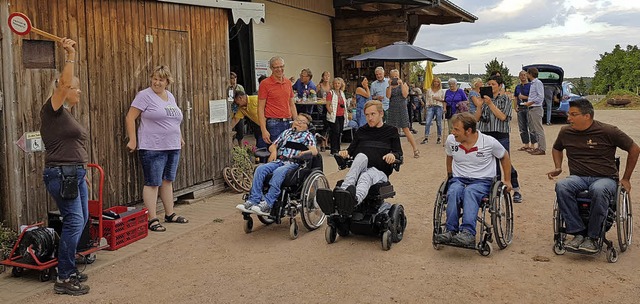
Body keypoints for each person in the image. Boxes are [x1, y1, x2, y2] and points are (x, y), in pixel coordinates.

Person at [547, 98, 639, 253]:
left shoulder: (608, 131)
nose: (568, 118)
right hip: (578, 177)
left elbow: (634, 149)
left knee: (599, 189)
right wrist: (558, 167)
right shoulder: (566, 132)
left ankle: (593, 237)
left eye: (573, 114)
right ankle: (577, 232)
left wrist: (626, 178)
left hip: (605, 178)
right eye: (569, 114)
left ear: (587, 116)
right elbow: (557, 148)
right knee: (562, 185)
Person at [40, 38, 90, 296]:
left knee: (80, 222)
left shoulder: (67, 115)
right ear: (64, 90)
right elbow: (64, 82)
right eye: (76, 88)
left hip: (75, 173)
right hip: (61, 173)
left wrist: (84, 172)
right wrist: (70, 54)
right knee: (73, 221)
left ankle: (67, 267)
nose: (78, 91)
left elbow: (75, 146)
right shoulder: (53, 110)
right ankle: (64, 276)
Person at [125, 65, 189, 233]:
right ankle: (152, 219)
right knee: (153, 182)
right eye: (155, 78)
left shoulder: (170, 96)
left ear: (167, 82)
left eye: (161, 80)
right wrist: (133, 139)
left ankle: (170, 214)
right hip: (153, 146)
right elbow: (130, 117)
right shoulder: (144, 96)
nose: (157, 82)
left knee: (167, 180)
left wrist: (179, 136)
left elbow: (174, 120)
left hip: (172, 145)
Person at [435, 112, 512, 247]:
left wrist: (507, 180)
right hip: (459, 178)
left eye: (456, 129)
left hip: (482, 180)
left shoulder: (489, 142)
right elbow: (449, 156)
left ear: (468, 131)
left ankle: (468, 232)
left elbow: (504, 157)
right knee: (453, 191)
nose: (453, 132)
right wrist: (449, 175)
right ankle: (450, 230)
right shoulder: (451, 140)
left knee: (470, 192)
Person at [236, 113, 318, 215]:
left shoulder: (308, 136)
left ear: (307, 126)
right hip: (279, 160)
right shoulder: (286, 132)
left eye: (302, 122)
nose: (299, 123)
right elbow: (273, 145)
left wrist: (304, 153)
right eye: (297, 120)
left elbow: (314, 151)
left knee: (279, 172)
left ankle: (268, 203)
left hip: (293, 163)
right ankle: (253, 199)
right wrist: (274, 151)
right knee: (260, 169)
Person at [334, 100, 403, 206]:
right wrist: (344, 152)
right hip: (360, 170)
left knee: (366, 176)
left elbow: (399, 153)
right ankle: (343, 194)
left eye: (373, 114)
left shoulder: (391, 131)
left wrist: (393, 155)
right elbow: (349, 150)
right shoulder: (361, 131)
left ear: (381, 114)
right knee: (361, 156)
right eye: (367, 115)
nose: (370, 118)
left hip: (380, 172)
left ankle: (354, 200)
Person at [474, 75, 523, 203]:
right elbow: (476, 119)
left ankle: (516, 189)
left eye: (493, 84)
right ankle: (494, 191)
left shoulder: (505, 99)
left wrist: (490, 104)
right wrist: (479, 106)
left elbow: (502, 117)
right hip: (485, 134)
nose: (490, 86)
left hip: (500, 134)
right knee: (489, 164)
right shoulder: (483, 100)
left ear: (500, 86)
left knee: (506, 162)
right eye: (488, 84)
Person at [258, 56, 298, 145]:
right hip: (273, 124)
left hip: (288, 122)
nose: (279, 69)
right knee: (275, 152)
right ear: (271, 68)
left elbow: (292, 104)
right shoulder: (265, 84)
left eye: (281, 66)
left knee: (288, 152)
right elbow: (260, 108)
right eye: (276, 67)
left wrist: (296, 122)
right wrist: (263, 130)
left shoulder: (288, 83)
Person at [386, 69, 420, 158]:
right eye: (393, 77)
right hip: (392, 109)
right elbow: (388, 96)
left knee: (406, 129)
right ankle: (394, 150)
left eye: (396, 76)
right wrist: (390, 85)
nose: (394, 78)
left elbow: (405, 95)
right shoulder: (389, 86)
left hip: (402, 109)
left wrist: (400, 84)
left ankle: (415, 149)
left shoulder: (404, 84)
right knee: (393, 131)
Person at [521, 67, 546, 155]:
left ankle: (542, 148)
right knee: (534, 129)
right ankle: (538, 147)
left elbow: (540, 97)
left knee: (539, 129)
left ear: (530, 74)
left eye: (527, 73)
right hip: (532, 108)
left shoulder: (538, 83)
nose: (526, 75)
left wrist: (530, 102)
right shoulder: (533, 83)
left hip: (536, 108)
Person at [514, 71, 536, 152]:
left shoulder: (531, 86)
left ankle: (533, 145)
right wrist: (515, 107)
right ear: (519, 77)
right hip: (520, 108)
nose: (523, 77)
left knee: (531, 127)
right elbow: (515, 97)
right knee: (522, 127)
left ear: (527, 76)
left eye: (524, 75)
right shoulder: (517, 87)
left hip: (529, 108)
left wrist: (524, 97)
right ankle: (526, 144)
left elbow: (533, 97)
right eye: (521, 75)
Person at [325, 77, 347, 155]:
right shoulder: (330, 93)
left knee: (339, 132)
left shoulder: (342, 93)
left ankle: (338, 149)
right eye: (335, 83)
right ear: (333, 84)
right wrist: (330, 112)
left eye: (338, 83)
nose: (337, 85)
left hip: (341, 115)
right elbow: (327, 105)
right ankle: (333, 150)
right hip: (334, 116)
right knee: (335, 132)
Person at [422, 77, 446, 144]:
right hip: (430, 106)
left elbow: (444, 100)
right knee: (428, 122)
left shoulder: (441, 91)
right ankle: (426, 137)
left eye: (437, 82)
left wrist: (444, 107)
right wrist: (426, 107)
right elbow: (426, 99)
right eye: (435, 81)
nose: (436, 83)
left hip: (439, 106)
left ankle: (439, 137)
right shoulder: (429, 90)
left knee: (438, 122)